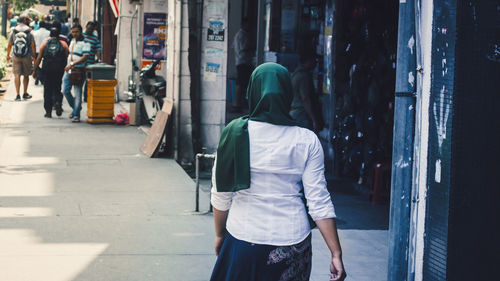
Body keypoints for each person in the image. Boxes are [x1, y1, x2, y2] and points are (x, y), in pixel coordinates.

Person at [210, 63, 346, 281]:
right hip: (293, 241)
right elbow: (319, 201)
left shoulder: (234, 134)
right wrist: (336, 253)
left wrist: (219, 234)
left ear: (252, 91)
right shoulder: (306, 139)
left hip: (244, 238)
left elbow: (221, 195)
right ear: (288, 93)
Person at [33, 28, 68, 118]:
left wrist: (34, 70)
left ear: (50, 35)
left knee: (47, 90)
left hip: (47, 70)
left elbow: (39, 57)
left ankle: (48, 112)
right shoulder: (63, 44)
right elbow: (66, 58)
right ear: (59, 35)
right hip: (59, 71)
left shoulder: (45, 44)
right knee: (57, 87)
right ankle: (58, 102)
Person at [289, 53, 324, 133]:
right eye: (314, 60)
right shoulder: (304, 76)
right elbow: (305, 98)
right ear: (308, 61)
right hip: (302, 115)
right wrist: (314, 119)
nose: (316, 63)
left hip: (295, 113)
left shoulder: (295, 74)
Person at [62, 24, 90, 123]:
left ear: (81, 32)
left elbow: (85, 57)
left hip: (79, 70)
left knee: (78, 92)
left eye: (76, 32)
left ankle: (76, 114)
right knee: (65, 90)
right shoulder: (72, 41)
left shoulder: (85, 42)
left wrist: (73, 63)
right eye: (73, 32)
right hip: (69, 69)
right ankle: (75, 108)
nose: (74, 34)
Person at [6, 14, 35, 101]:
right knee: (26, 75)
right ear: (25, 21)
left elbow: (10, 44)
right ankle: (25, 93)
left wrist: (8, 55)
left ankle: (18, 95)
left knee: (17, 75)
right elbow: (33, 45)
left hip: (15, 56)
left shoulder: (14, 31)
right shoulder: (29, 31)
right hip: (27, 56)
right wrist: (34, 56)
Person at [231, 18, 254, 112]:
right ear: (244, 24)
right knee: (240, 83)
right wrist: (252, 47)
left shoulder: (237, 35)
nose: (250, 27)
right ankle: (237, 104)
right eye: (248, 24)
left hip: (240, 61)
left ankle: (237, 104)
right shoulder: (243, 35)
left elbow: (233, 47)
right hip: (243, 61)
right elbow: (244, 48)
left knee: (241, 83)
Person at [82, 21, 101, 102]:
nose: (89, 30)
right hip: (80, 62)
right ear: (86, 27)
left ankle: (86, 96)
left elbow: (98, 50)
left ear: (93, 30)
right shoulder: (81, 36)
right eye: (88, 28)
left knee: (87, 80)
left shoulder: (95, 39)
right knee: (80, 79)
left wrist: (99, 59)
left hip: (90, 63)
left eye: (91, 29)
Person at [32, 21, 51, 85]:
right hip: (46, 51)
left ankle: (38, 76)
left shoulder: (35, 33)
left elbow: (33, 43)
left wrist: (33, 52)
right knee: (44, 65)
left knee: (37, 64)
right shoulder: (48, 33)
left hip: (37, 50)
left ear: (39, 25)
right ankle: (42, 77)